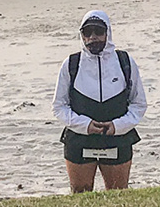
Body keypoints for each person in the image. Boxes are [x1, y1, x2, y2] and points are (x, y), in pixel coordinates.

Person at [54, 10, 148, 192]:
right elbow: (59, 106)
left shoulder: (124, 62)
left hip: (117, 140)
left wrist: (118, 126)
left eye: (98, 31)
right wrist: (85, 125)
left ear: (108, 32)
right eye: (87, 32)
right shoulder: (71, 64)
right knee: (80, 197)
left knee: (117, 195)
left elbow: (139, 104)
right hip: (79, 140)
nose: (93, 37)